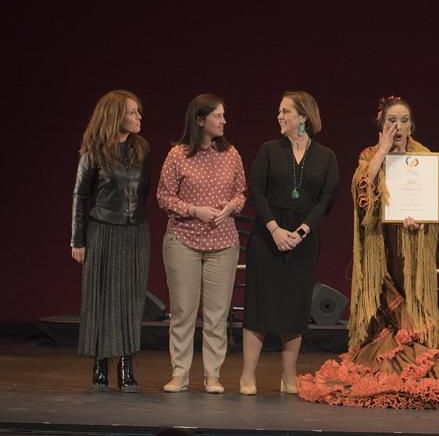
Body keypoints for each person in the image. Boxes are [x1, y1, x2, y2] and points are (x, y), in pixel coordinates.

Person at [299, 97, 439, 408]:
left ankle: (414, 367)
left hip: (408, 249)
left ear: (412, 125)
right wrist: (382, 153)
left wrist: (419, 221)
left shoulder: (423, 158)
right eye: (391, 121)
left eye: (404, 120)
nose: (398, 127)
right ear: (381, 125)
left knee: (410, 315)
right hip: (379, 249)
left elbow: (433, 204)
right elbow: (361, 194)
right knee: (383, 311)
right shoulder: (370, 155)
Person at [240, 90, 339, 395]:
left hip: (303, 238)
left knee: (294, 308)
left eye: (286, 111)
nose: (280, 117)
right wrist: (273, 229)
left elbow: (327, 198)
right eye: (279, 111)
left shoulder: (326, 156)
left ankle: (289, 376)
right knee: (259, 303)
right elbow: (255, 188)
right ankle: (247, 375)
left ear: (303, 116)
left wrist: (302, 231)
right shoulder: (269, 149)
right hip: (268, 235)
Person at [156, 94, 247, 394]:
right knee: (183, 310)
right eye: (218, 116)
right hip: (184, 239)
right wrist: (194, 210)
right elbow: (164, 197)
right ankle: (180, 373)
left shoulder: (231, 153)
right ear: (199, 120)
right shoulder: (177, 155)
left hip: (222, 242)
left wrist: (229, 207)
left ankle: (213, 375)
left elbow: (242, 192)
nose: (224, 121)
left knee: (217, 313)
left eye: (224, 115)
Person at [70, 90, 151, 392]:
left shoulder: (142, 149)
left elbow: (144, 192)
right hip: (103, 230)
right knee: (102, 298)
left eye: (138, 112)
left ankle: (127, 364)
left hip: (135, 232)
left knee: (131, 298)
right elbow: (80, 196)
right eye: (133, 112)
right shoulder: (94, 151)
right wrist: (77, 240)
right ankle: (101, 363)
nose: (139, 117)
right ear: (116, 115)